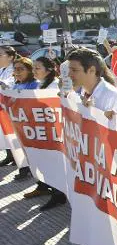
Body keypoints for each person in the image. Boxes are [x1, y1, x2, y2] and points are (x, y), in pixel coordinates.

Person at [68, 49, 117, 245]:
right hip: (92, 166)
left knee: (107, 217)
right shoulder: (83, 93)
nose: (70, 74)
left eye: (74, 70)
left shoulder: (111, 96)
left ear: (91, 70)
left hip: (109, 169)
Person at [23, 57, 67, 210]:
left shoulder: (54, 86)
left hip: (54, 133)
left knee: (55, 164)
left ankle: (58, 195)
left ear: (49, 70)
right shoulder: (41, 84)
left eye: (37, 68)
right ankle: (46, 187)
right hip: (44, 131)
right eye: (33, 68)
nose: (34, 71)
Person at [7, 57, 40, 180]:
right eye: (15, 69)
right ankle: (24, 169)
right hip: (19, 123)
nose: (17, 72)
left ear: (29, 70)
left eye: (21, 69)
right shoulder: (17, 85)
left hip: (32, 125)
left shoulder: (35, 84)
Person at [0, 46, 17, 167]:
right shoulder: (1, 69)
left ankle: (18, 158)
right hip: (2, 105)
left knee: (13, 132)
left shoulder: (16, 69)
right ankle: (9, 155)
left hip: (12, 106)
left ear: (10, 57)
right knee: (4, 131)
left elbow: (9, 84)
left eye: (0, 55)